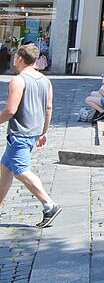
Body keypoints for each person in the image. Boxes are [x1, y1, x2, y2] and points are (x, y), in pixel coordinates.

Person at [0, 45, 61, 228]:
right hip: (32, 132)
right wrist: (44, 131)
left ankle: (49, 205)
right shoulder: (45, 80)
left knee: (21, 170)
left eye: (14, 56)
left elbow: (10, 110)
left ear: (19, 58)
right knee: (5, 168)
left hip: (20, 132)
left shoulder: (18, 81)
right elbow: (48, 108)